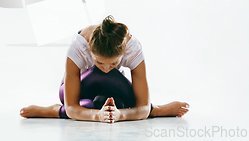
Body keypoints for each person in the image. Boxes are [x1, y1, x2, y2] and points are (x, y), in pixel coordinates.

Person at [20, 15, 189, 123]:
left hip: (110, 92)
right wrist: (97, 116)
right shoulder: (78, 47)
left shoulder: (133, 49)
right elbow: (71, 106)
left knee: (109, 104)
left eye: (114, 64)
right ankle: (52, 110)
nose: (107, 68)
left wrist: (118, 114)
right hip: (75, 90)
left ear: (123, 53)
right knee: (101, 80)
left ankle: (150, 109)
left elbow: (141, 105)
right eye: (100, 62)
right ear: (90, 51)